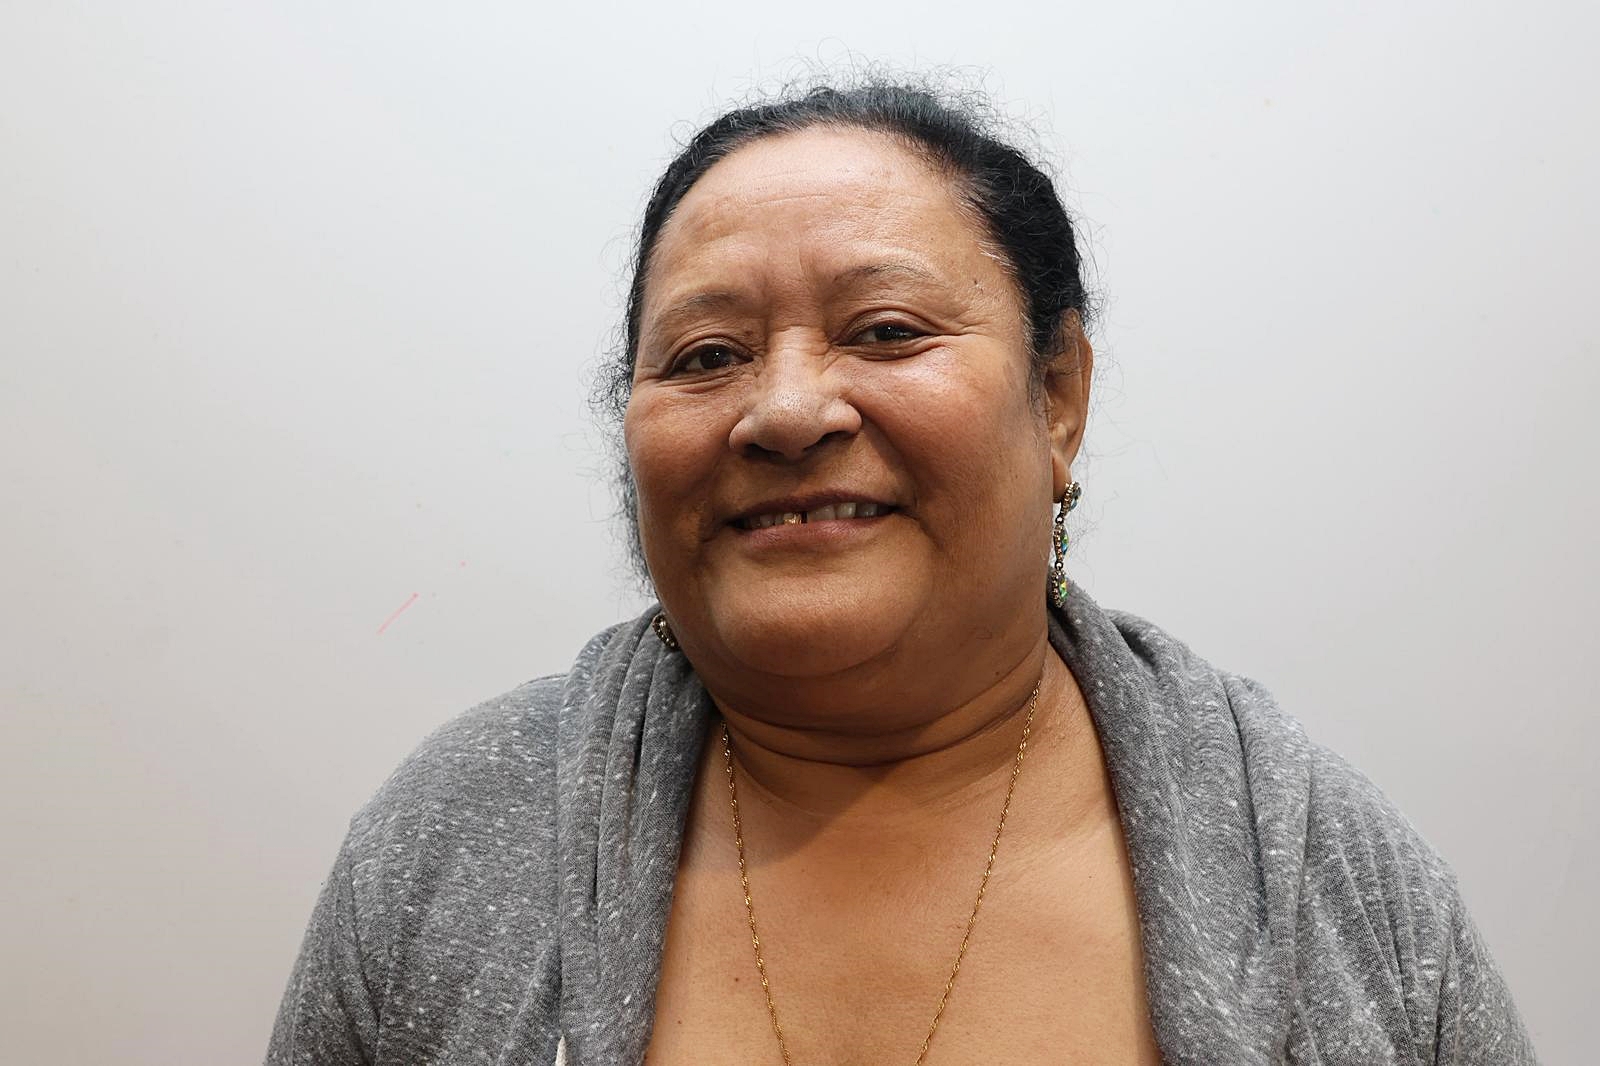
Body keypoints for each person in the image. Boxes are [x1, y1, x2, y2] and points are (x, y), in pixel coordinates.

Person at [266, 81, 1537, 1065]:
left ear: (1056, 395)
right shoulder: (454, 839)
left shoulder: (1324, 876)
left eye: (884, 330)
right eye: (705, 355)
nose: (785, 409)